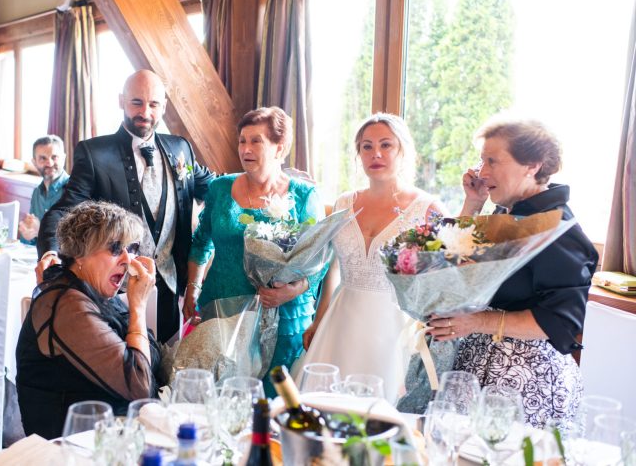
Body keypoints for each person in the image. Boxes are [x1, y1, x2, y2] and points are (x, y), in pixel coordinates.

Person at [427, 117, 597, 428]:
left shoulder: (557, 229)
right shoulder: (509, 213)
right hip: (474, 368)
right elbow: (452, 257)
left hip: (525, 384)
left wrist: (475, 322)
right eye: (482, 160)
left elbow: (560, 322)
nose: (482, 171)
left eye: (492, 160)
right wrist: (473, 203)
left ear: (531, 165)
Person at [37, 69, 214, 343]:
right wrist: (50, 249)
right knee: (126, 369)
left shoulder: (180, 148)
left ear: (163, 106)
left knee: (164, 365)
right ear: (121, 101)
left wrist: (265, 184)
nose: (145, 112)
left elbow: (215, 186)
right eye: (136, 103)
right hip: (115, 290)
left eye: (154, 104)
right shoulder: (94, 153)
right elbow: (63, 210)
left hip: (169, 283)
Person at [183, 107, 326, 396]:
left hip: (282, 311)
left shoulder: (303, 195)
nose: (246, 149)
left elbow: (321, 257)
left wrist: (293, 290)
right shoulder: (220, 188)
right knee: (222, 393)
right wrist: (192, 289)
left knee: (272, 399)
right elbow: (201, 243)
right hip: (222, 308)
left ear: (280, 148)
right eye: (242, 141)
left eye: (256, 141)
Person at [299, 113, 443, 401]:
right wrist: (319, 318)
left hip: (394, 329)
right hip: (341, 322)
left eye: (386, 145)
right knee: (327, 408)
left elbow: (441, 280)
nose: (375, 154)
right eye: (367, 146)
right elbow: (333, 267)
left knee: (383, 411)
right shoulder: (344, 202)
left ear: (403, 149)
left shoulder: (428, 209)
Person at [17, 201, 159, 438]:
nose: (128, 259)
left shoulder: (93, 290)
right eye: (115, 248)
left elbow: (151, 355)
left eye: (132, 248)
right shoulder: (67, 304)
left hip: (105, 432)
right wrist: (138, 307)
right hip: (73, 445)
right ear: (79, 254)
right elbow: (140, 385)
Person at [19, 135, 69, 245]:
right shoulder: (37, 193)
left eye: (54, 157)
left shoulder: (74, 190)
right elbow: (32, 239)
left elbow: (76, 240)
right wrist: (28, 234)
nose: (49, 163)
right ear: (34, 162)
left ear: (64, 158)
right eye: (43, 158)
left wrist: (41, 230)